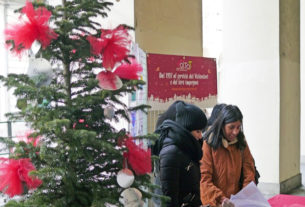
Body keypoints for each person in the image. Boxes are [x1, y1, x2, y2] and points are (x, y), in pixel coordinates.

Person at [200, 105, 255, 207]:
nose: (235, 132)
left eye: (238, 127)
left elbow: (249, 170)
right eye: (231, 127)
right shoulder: (209, 144)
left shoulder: (241, 142)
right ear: (221, 125)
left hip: (237, 201)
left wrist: (244, 195)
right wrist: (221, 199)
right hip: (216, 202)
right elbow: (204, 179)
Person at [154, 101, 207, 207]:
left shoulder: (187, 149)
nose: (201, 136)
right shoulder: (171, 153)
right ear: (186, 129)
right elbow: (168, 200)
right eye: (197, 131)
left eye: (201, 131)